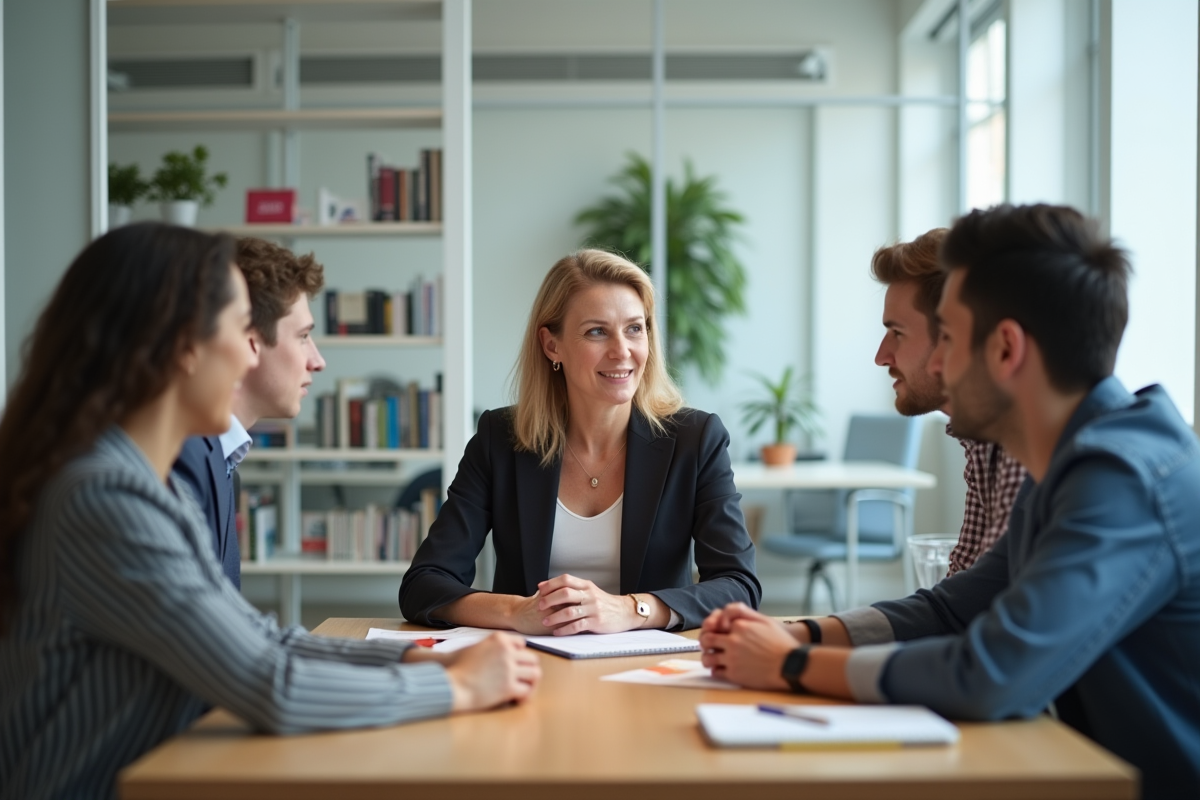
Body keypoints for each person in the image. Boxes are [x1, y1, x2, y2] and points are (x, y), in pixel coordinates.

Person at [0, 223, 540, 800]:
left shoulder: (142, 484)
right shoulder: (105, 499)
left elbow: (259, 640)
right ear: (183, 347)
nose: (248, 353)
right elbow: (270, 683)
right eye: (240, 331)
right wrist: (458, 691)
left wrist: (423, 664)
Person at [699, 204, 1200, 799]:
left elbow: (990, 673)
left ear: (1007, 349)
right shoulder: (1074, 465)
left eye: (951, 340)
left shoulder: (1119, 479)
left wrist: (790, 665)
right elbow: (952, 610)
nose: (934, 363)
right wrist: (799, 633)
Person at [400, 249, 760, 633]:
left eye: (635, 328)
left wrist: (630, 609)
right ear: (552, 345)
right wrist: (517, 612)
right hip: (528, 666)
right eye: (596, 331)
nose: (622, 351)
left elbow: (738, 586)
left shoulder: (695, 440)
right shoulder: (500, 439)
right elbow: (424, 584)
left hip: (647, 668)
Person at [173, 237, 327, 588]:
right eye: (303, 337)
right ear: (249, 341)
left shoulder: (218, 456)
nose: (317, 362)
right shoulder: (182, 456)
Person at [871, 229, 1026, 573]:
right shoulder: (980, 441)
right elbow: (963, 590)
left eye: (897, 333)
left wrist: (814, 629)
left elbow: (988, 603)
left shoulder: (1025, 445)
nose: (881, 356)